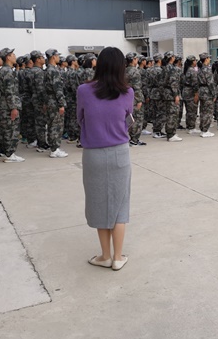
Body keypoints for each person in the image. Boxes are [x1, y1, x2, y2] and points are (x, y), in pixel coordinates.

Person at [77, 46, 134, 271]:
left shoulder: (83, 90)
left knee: (99, 204)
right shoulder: (127, 92)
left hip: (94, 154)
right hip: (120, 152)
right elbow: (128, 117)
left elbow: (80, 118)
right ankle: (118, 258)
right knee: (120, 204)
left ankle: (105, 256)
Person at [0, 48, 24, 163]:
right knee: (11, 130)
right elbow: (9, 91)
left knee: (8, 129)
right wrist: (13, 107)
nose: (15, 56)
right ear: (8, 57)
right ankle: (10, 154)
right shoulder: (7, 71)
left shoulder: (4, 70)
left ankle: (9, 153)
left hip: (5, 104)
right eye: (13, 54)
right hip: (8, 106)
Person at [42, 49, 68, 158]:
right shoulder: (54, 71)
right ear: (53, 57)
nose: (58, 58)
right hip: (55, 102)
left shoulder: (46, 70)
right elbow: (58, 89)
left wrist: (45, 102)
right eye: (57, 56)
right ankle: (54, 149)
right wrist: (61, 104)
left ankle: (54, 147)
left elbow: (44, 89)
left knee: (51, 124)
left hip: (49, 101)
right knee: (56, 126)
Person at [125, 52, 146, 146]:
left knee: (129, 118)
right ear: (133, 60)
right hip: (134, 98)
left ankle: (130, 137)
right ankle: (134, 139)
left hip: (125, 97)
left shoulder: (124, 70)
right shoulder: (135, 71)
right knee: (138, 119)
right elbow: (137, 87)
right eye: (136, 59)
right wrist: (139, 100)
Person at [197, 52, 215, 138]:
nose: (209, 59)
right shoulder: (207, 69)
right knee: (208, 112)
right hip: (207, 91)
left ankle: (202, 129)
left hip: (201, 90)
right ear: (206, 59)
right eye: (208, 58)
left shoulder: (200, 69)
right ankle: (205, 130)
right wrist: (214, 93)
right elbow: (210, 83)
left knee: (203, 111)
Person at [182, 55, 200, 134]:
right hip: (191, 92)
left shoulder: (186, 69)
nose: (196, 62)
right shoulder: (192, 70)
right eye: (195, 60)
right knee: (192, 110)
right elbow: (195, 83)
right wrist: (196, 94)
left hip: (186, 91)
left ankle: (189, 126)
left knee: (189, 110)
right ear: (192, 62)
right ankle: (191, 127)